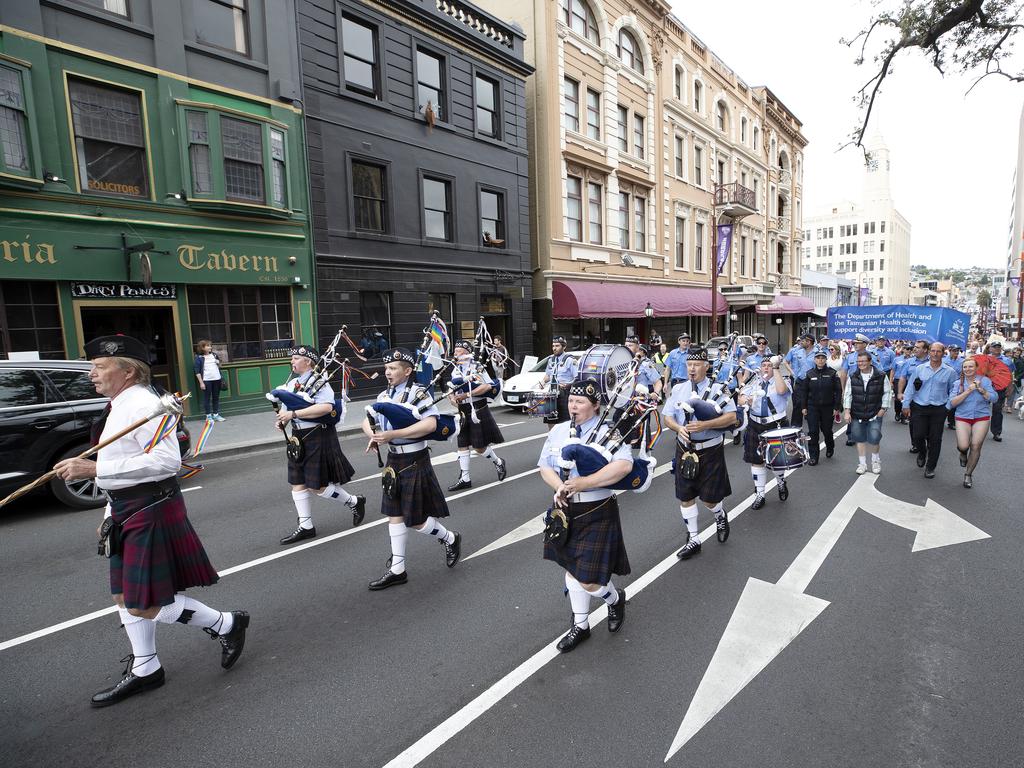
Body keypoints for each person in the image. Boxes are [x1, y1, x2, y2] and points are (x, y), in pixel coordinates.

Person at [53, 335, 248, 707]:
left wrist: (95, 468)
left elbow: (167, 463)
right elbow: (125, 460)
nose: (91, 373)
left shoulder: (144, 404)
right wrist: (109, 511)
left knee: (143, 603)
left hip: (151, 507)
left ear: (127, 370)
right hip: (128, 507)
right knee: (123, 596)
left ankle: (226, 623)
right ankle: (147, 668)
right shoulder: (118, 405)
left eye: (99, 366)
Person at [538, 378, 631, 653]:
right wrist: (559, 487)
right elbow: (544, 466)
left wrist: (583, 484)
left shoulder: (609, 432)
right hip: (565, 508)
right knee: (570, 566)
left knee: (589, 579)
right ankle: (581, 625)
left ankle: (614, 599)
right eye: (571, 401)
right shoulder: (558, 430)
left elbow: (624, 467)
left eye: (580, 402)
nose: (573, 406)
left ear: (596, 405)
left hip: (597, 507)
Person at [363, 348, 462, 590]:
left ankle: (449, 538)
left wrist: (392, 434)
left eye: (393, 368)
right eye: (386, 368)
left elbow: (429, 425)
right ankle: (398, 569)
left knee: (415, 519)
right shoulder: (384, 394)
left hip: (414, 459)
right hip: (393, 461)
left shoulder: (420, 394)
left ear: (407, 371)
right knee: (394, 514)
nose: (388, 372)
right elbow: (367, 419)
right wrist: (374, 436)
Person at [276, 345, 365, 545]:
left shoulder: (320, 382)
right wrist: (283, 420)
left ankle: (354, 501)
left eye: (296, 358)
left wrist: (295, 414)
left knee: (318, 486)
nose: (292, 361)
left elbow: (326, 407)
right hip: (297, 437)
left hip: (317, 434)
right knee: (297, 482)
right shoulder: (291, 385)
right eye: (292, 358)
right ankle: (306, 526)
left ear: (308, 361)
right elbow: (286, 410)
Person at [662, 346, 738, 560]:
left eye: (696, 365)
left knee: (709, 499)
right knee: (685, 496)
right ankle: (694, 538)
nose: (691, 369)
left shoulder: (719, 389)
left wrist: (706, 425)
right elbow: (667, 417)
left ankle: (719, 514)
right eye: (688, 365)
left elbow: (732, 418)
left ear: (706, 366)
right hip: (684, 449)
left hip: (710, 450)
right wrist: (679, 429)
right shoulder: (678, 389)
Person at [447, 340, 507, 491]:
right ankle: (465, 478)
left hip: (478, 409)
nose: (455, 353)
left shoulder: (477, 367)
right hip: (463, 409)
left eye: (458, 350)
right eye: (455, 350)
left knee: (479, 448)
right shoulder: (455, 369)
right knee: (462, 444)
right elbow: (454, 389)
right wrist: (452, 397)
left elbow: (487, 386)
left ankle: (498, 462)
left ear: (466, 352)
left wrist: (467, 394)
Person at [737, 356, 792, 509]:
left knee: (777, 460)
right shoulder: (754, 382)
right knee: (757, 460)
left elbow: (781, 391)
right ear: (760, 368)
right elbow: (740, 398)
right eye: (764, 365)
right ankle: (760, 494)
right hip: (755, 425)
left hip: (775, 424)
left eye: (769, 365)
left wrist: (776, 369)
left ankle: (780, 482)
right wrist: (745, 400)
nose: (766, 367)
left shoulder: (782, 380)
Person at [903, 342, 957, 478]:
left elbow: (954, 390)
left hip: (939, 409)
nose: (935, 354)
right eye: (932, 351)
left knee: (935, 439)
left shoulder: (950, 372)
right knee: (918, 435)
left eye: (938, 351)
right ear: (929, 352)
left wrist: (948, 406)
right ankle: (922, 452)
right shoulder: (920, 369)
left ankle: (930, 467)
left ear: (943, 353)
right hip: (920, 407)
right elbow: (910, 387)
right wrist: (906, 404)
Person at [947, 357, 996, 488]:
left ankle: (968, 474)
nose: (968, 369)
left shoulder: (984, 381)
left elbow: (994, 398)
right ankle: (962, 453)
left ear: (976, 368)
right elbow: (951, 403)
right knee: (963, 446)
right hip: (963, 416)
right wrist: (968, 390)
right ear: (962, 369)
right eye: (965, 367)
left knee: (975, 445)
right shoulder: (959, 383)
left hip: (982, 416)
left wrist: (983, 391)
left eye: (971, 366)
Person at [842, 351, 892, 474]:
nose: (861, 364)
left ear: (870, 361)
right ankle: (862, 464)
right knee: (860, 439)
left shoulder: (880, 375)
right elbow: (848, 394)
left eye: (864, 361)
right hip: (857, 413)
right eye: (859, 362)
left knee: (874, 439)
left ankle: (875, 461)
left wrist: (883, 409)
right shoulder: (853, 376)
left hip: (875, 413)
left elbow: (887, 392)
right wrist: (847, 411)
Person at [795, 349, 842, 465]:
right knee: (813, 432)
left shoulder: (832, 373)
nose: (820, 360)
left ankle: (830, 446)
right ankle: (813, 456)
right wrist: (804, 406)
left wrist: (836, 407)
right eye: (818, 358)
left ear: (826, 359)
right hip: (812, 407)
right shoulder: (810, 373)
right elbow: (804, 392)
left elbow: (838, 391)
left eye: (822, 358)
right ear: (814, 360)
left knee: (827, 431)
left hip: (828, 407)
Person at [539, 336, 577, 429]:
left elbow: (577, 377)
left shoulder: (570, 360)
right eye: (553, 346)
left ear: (564, 347)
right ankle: (552, 438)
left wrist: (569, 384)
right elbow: (548, 375)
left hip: (565, 393)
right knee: (550, 419)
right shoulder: (551, 359)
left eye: (557, 346)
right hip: (551, 392)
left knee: (565, 420)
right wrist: (543, 382)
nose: (554, 348)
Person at [895, 340, 929, 428]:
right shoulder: (909, 362)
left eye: (917, 347)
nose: (914, 349)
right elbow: (903, 378)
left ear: (925, 350)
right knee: (915, 425)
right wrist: (899, 392)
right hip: (912, 394)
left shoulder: (931, 362)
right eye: (915, 347)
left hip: (927, 397)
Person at [985, 341, 1014, 441]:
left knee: (997, 411)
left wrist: (1010, 388)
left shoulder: (1007, 361)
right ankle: (978, 429)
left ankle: (996, 432)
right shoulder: (985, 358)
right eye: (994, 346)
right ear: (990, 348)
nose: (997, 348)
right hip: (985, 387)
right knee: (981, 408)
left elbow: (1010, 376)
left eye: (998, 347)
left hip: (1000, 388)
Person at [785, 335, 815, 428]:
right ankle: (796, 426)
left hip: (813, 382)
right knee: (797, 404)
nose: (801, 342)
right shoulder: (798, 352)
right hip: (800, 381)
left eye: (803, 341)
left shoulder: (817, 352)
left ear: (809, 342)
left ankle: (813, 427)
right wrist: (795, 379)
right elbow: (796, 367)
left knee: (812, 404)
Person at [193, 339, 226, 422]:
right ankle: (208, 416)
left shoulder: (214, 355)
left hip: (217, 379)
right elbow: (197, 372)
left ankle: (216, 414)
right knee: (207, 398)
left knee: (216, 397)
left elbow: (220, 365)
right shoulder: (199, 358)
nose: (210, 347)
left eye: (210, 345)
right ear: (202, 348)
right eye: (207, 346)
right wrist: (201, 383)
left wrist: (218, 362)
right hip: (207, 380)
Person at [944, 345, 964, 429]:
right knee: (943, 402)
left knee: (953, 403)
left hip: (956, 385)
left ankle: (951, 422)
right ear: (950, 350)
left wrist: (962, 384)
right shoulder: (943, 360)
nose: (956, 352)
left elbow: (963, 373)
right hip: (945, 384)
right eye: (954, 350)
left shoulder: (962, 361)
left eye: (957, 351)